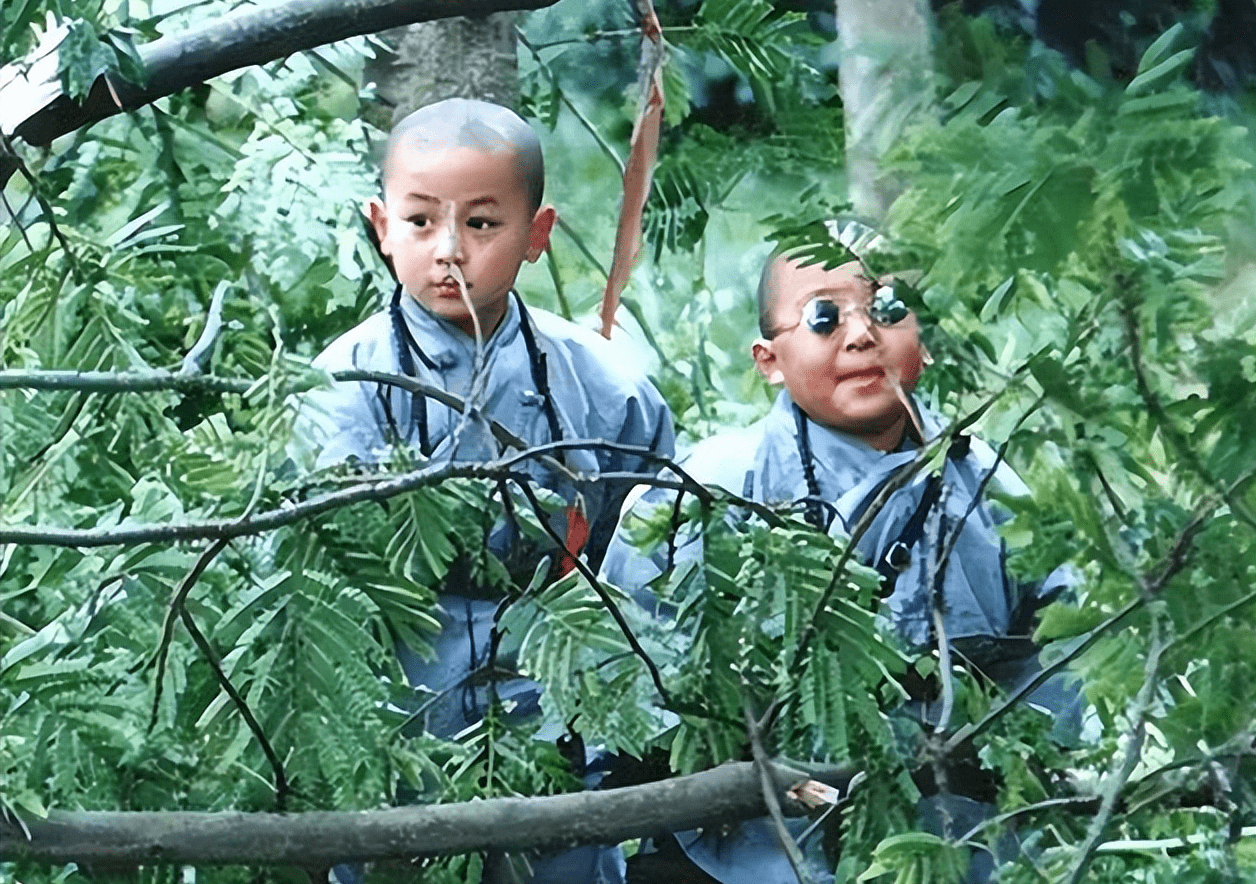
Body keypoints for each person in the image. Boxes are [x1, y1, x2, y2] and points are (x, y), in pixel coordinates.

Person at [600, 223, 1079, 884]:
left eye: (887, 310)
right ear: (769, 360)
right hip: (751, 840)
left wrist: (1026, 767)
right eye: (824, 317)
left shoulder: (990, 491)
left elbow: (1062, 657)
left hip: (952, 835)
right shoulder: (712, 488)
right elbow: (626, 662)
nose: (862, 335)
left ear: (929, 342)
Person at [291, 97, 675, 884]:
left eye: (483, 224)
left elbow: (645, 559)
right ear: (380, 225)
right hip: (400, 707)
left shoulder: (603, 385)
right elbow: (322, 583)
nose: (450, 253)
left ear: (537, 235)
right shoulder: (339, 386)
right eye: (422, 222)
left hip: (555, 700)